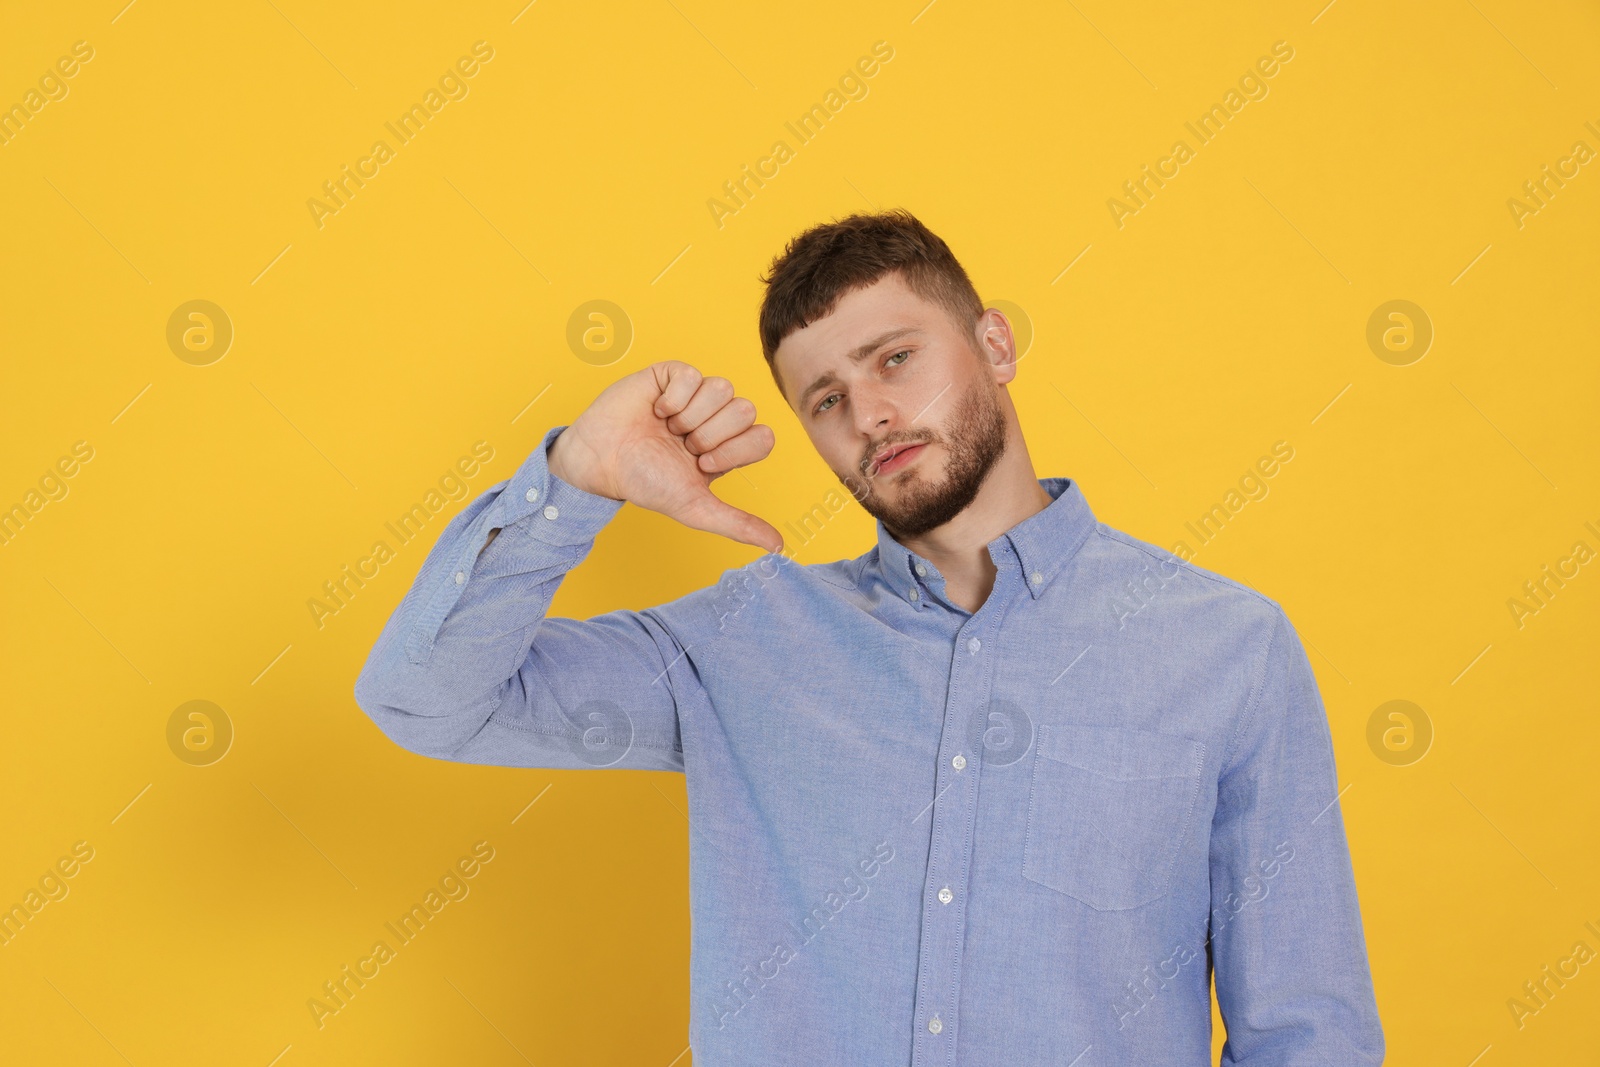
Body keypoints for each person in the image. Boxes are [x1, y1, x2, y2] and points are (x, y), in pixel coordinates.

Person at [354, 210, 1384, 1064]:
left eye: (896, 358)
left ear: (993, 343)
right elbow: (425, 696)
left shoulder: (1223, 647)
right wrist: (575, 478)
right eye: (827, 399)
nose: (873, 415)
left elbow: (1305, 1029)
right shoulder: (745, 643)